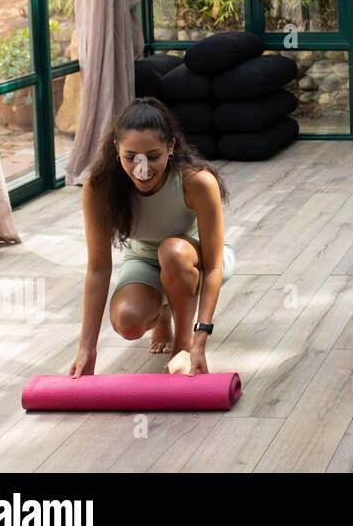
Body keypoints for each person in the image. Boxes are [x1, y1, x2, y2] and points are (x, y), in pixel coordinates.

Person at [71, 98, 232, 377]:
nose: (141, 168)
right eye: (131, 156)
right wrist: (87, 348)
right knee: (128, 322)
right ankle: (162, 315)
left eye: (152, 156)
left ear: (170, 147)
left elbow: (214, 265)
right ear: (116, 149)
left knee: (172, 251)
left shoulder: (197, 182)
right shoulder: (98, 188)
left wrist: (199, 340)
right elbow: (97, 269)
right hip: (144, 259)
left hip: (198, 261)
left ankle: (181, 343)